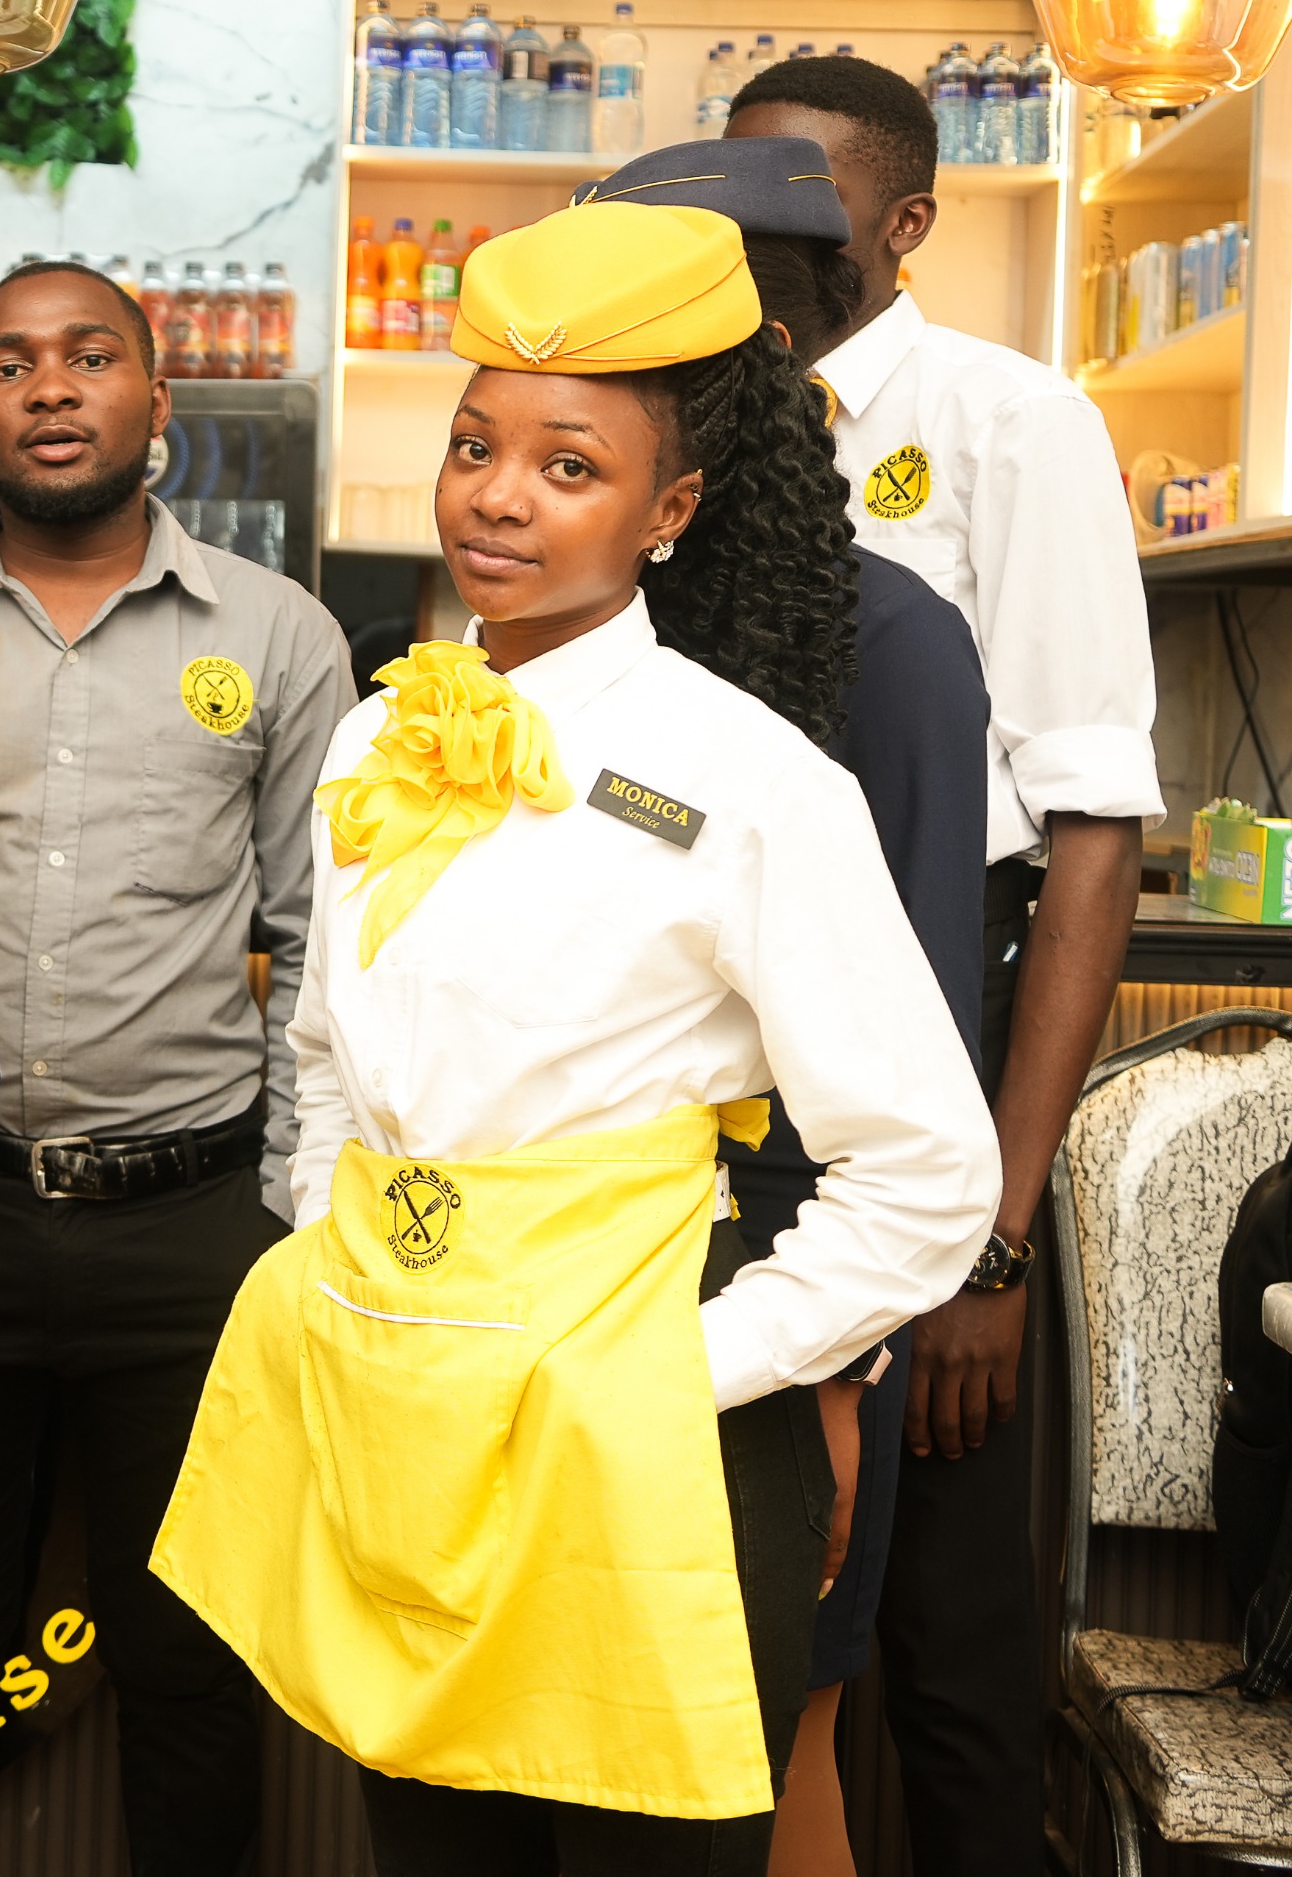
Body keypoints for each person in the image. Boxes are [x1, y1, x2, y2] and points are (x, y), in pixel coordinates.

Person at [151, 200, 999, 1876]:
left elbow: (923, 1170)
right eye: (478, 448)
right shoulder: (385, 733)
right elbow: (325, 1050)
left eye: (568, 466)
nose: (498, 496)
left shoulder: (754, 778)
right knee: (427, 1849)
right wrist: (345, 1253)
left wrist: (686, 1374)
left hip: (643, 1440)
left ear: (669, 510)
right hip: (407, 1407)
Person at [0, 258, 352, 1877]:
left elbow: (321, 944)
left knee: (193, 1669)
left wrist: (276, 1208)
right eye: (8, 362)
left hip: (185, 1237)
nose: (49, 388)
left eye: (89, 357)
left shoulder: (279, 636)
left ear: (158, 403)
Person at [728, 56, 1158, 1877]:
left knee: (953, 1668)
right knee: (766, 1626)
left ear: (905, 225)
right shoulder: (691, 429)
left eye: (806, 202)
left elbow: (1090, 831)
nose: (755, 235)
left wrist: (993, 1231)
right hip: (742, 1077)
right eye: (730, 193)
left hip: (951, 1036)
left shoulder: (1007, 420)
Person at [578, 140, 991, 1875]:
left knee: (775, 1741)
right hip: (563, 1284)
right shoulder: (581, 619)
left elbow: (910, 1045)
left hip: (775, 1294)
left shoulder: (883, 638)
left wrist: (840, 1359)